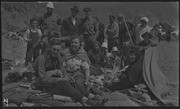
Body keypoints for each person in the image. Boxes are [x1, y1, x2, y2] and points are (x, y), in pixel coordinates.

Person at [33, 38, 104, 106]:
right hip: (44, 86)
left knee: (72, 82)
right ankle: (88, 101)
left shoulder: (58, 58)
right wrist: (60, 79)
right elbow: (42, 79)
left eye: (58, 50)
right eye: (54, 49)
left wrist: (67, 77)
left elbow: (64, 72)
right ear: (49, 48)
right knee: (64, 84)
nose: (55, 52)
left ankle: (91, 97)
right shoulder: (41, 59)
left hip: (55, 84)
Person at [61, 37, 107, 105]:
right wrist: (66, 75)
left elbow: (86, 68)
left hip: (78, 74)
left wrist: (87, 78)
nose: (74, 44)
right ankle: (91, 98)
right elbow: (61, 66)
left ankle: (89, 99)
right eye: (72, 42)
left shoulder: (82, 53)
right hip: (67, 74)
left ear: (79, 44)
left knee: (79, 83)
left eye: (76, 43)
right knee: (71, 85)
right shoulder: (64, 53)